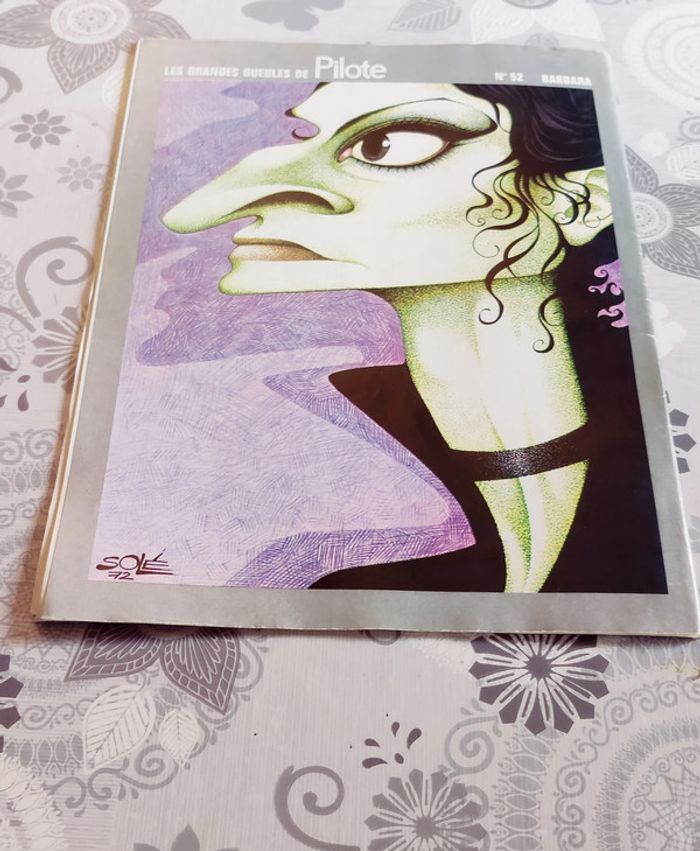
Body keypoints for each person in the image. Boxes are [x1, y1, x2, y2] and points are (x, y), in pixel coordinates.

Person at [162, 81, 666, 594]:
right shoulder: (313, 501)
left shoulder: (660, 470)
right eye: (303, 138)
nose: (209, 208)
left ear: (581, 202)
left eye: (387, 145)